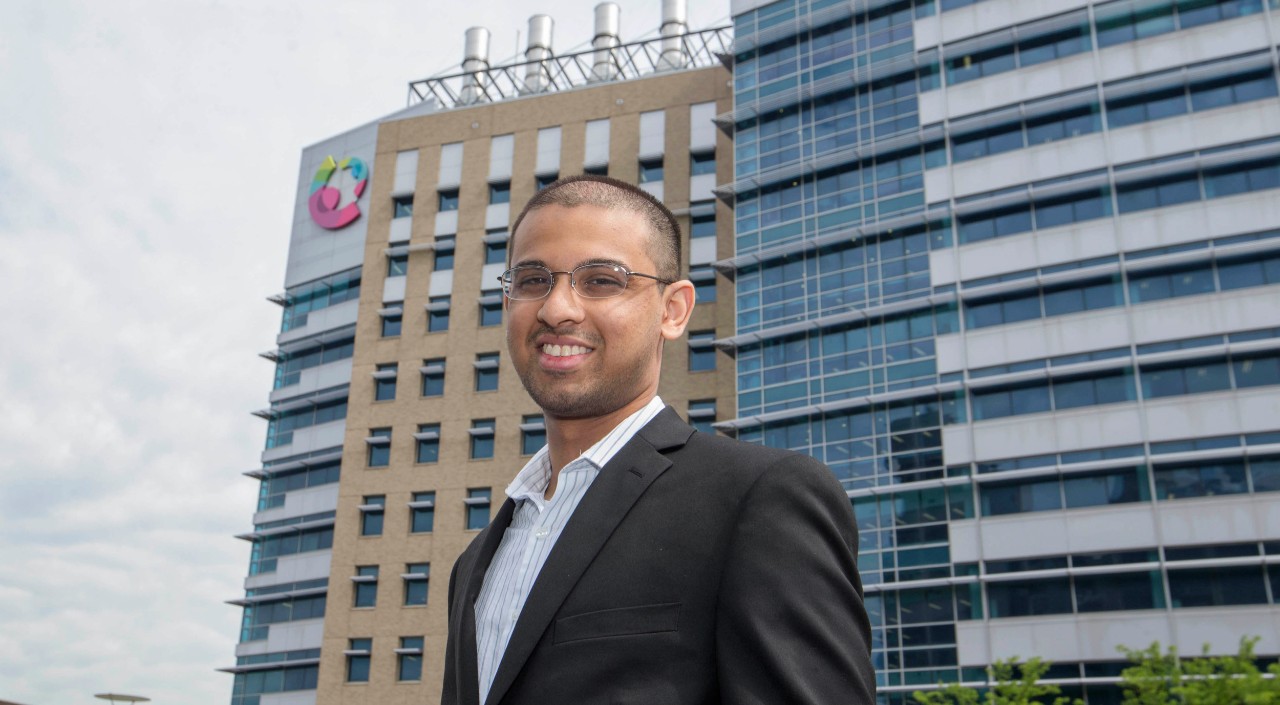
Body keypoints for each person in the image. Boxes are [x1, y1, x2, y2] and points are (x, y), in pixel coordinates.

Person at [440, 174, 874, 705]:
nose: (557, 309)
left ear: (673, 311)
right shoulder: (475, 562)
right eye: (532, 280)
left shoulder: (758, 500)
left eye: (600, 280)